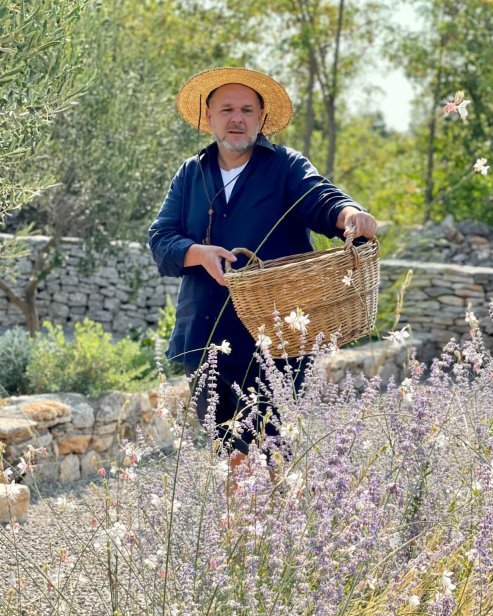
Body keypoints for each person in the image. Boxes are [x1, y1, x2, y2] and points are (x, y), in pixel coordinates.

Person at [149, 67, 377, 469]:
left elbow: (321, 199)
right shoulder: (190, 173)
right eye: (226, 109)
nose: (236, 118)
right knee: (228, 454)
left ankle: (269, 531)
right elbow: (161, 239)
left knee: (272, 452)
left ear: (261, 118)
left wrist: (350, 213)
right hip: (205, 335)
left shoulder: (285, 166)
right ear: (209, 117)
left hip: (276, 342)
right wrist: (197, 253)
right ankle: (237, 531)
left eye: (247, 110)